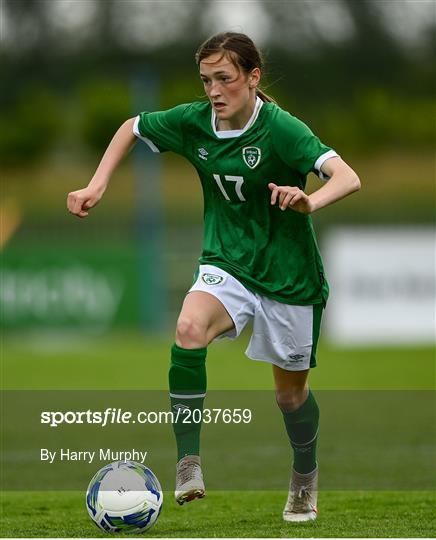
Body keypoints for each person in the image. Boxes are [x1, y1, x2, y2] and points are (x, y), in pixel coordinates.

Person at [67, 32, 360, 522]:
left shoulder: (283, 129)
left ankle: (304, 476)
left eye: (224, 79)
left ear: (252, 77)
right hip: (226, 261)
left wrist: (311, 201)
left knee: (290, 397)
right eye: (206, 80)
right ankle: (188, 463)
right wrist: (97, 183)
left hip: (289, 276)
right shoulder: (193, 122)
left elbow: (348, 177)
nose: (214, 91)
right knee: (187, 329)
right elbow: (132, 127)